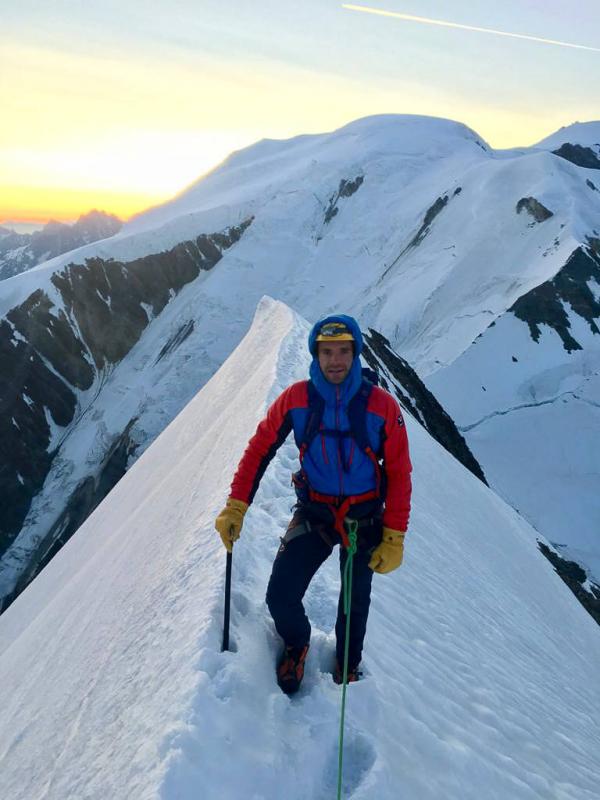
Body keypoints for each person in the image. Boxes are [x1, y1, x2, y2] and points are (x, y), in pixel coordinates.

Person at [215, 315, 412, 694]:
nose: (335, 360)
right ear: (315, 355)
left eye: (343, 352)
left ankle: (347, 664)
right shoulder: (296, 399)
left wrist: (394, 535)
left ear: (355, 354)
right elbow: (259, 449)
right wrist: (236, 505)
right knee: (280, 595)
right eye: (327, 352)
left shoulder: (383, 407)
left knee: (354, 604)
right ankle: (296, 642)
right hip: (316, 511)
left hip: (364, 517)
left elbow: (400, 471)